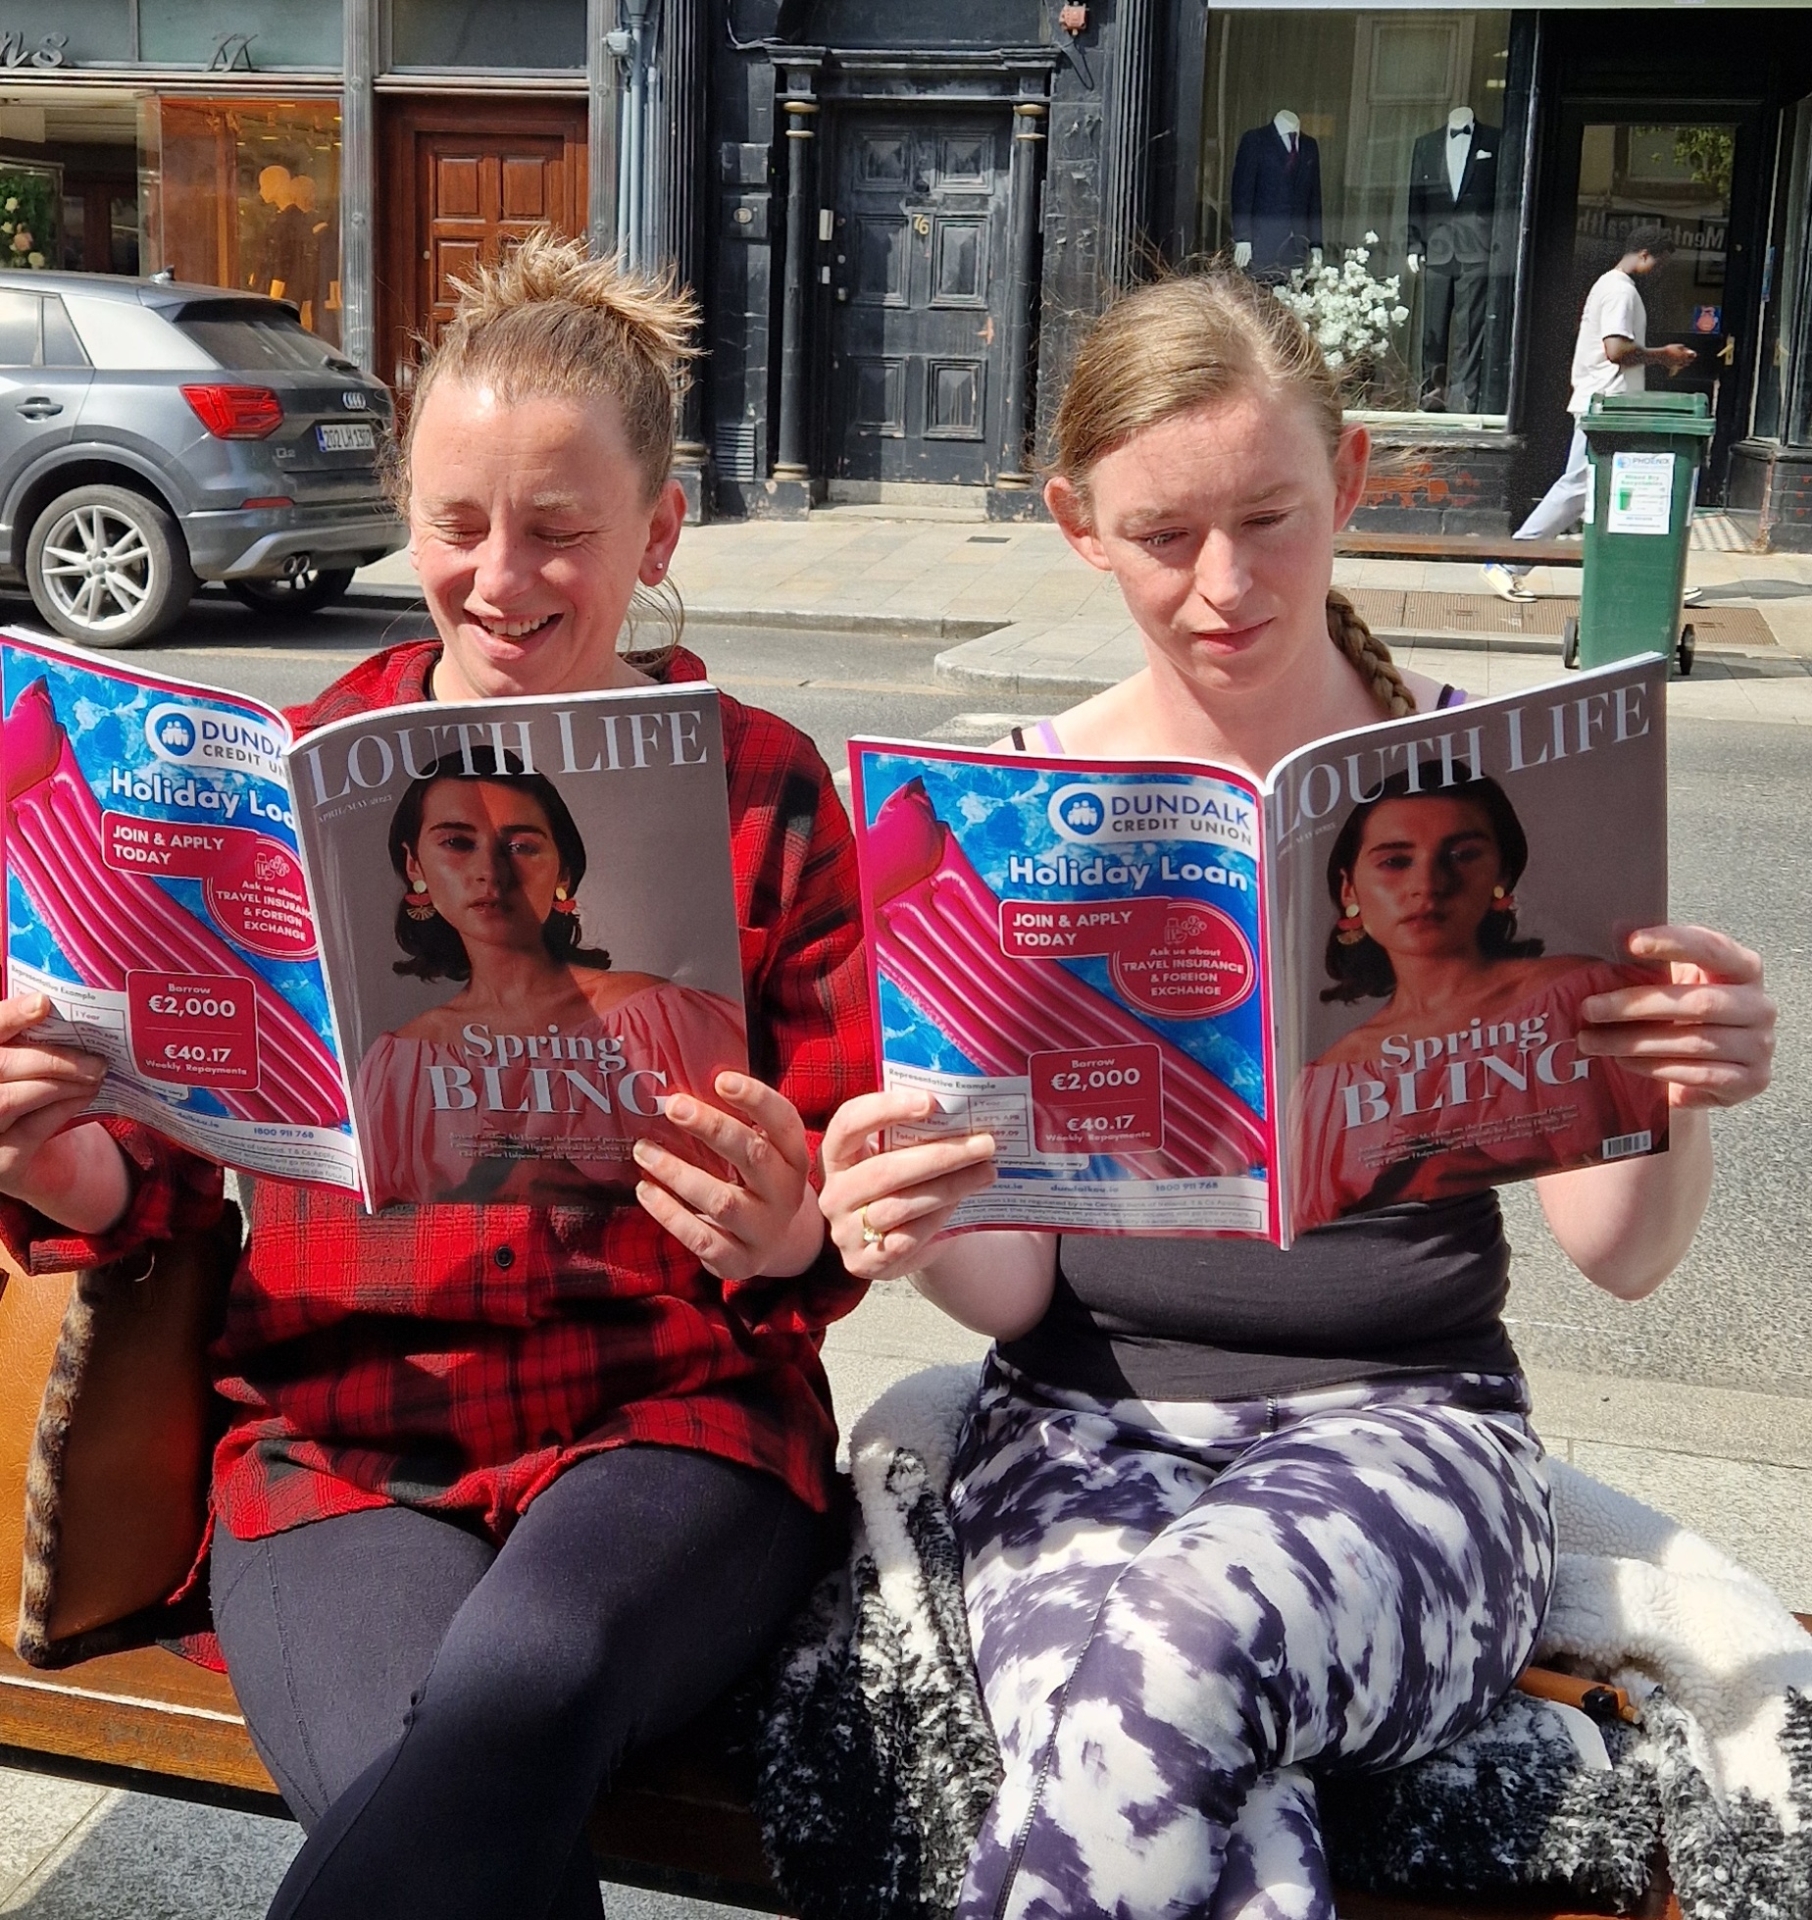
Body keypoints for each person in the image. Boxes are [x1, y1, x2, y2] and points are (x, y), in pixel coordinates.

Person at [818, 270, 1775, 1920]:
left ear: (1347, 478)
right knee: (1184, 1800)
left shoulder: (1489, 781)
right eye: (1162, 535)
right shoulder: (1009, 812)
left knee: (1166, 1659)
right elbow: (1016, 1291)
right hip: (1073, 1431)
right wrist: (917, 1219)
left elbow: (1620, 1252)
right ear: (1076, 525)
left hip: (1414, 1439)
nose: (1224, 585)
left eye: (1268, 519)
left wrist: (1675, 1081)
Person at [0, 233, 873, 1920]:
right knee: (461, 1809)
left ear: (658, 530)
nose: (500, 576)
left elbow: (842, 1178)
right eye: (458, 523)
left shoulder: (759, 788)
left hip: (669, 1422)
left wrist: (792, 1227)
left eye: (558, 530)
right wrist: (53, 1157)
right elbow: (166, 1171)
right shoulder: (285, 771)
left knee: (520, 1694)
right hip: (334, 1433)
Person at [354, 750, 748, 1208]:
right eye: (458, 843)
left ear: (562, 870)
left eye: (521, 847)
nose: (490, 873)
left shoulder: (664, 1019)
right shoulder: (398, 1069)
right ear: (414, 866)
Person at [1292, 772, 1664, 1228]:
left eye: (1462, 855)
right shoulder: (1324, 1087)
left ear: (1501, 874)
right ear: (1349, 888)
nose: (1428, 884)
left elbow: (1631, 1225)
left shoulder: (1583, 998)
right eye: (1395, 861)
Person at [1485, 223, 1697, 603]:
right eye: (1660, 263)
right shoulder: (1620, 291)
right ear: (1644, 255)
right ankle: (1507, 563)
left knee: (1626, 492)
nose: (1660, 272)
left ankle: (1655, 580)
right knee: (1581, 487)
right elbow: (1616, 351)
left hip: (1611, 405)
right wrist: (1665, 356)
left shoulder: (1612, 286)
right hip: (1606, 406)